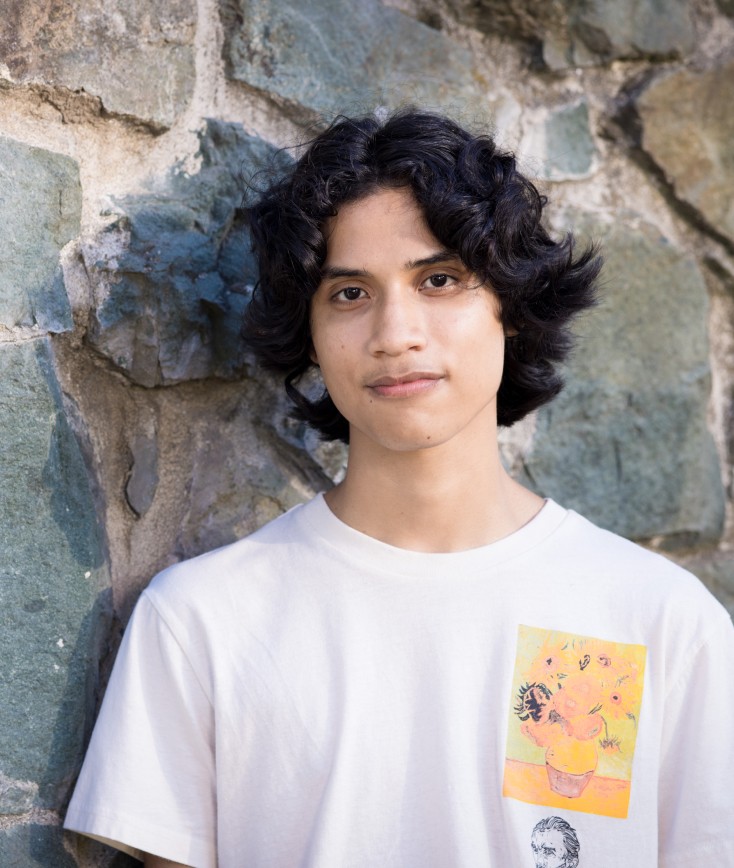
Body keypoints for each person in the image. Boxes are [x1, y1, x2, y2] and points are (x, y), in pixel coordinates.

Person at [64, 109, 734, 867]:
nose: (395, 333)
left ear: (511, 307)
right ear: (311, 332)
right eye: (350, 293)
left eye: (439, 280)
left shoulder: (661, 621)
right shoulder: (203, 622)